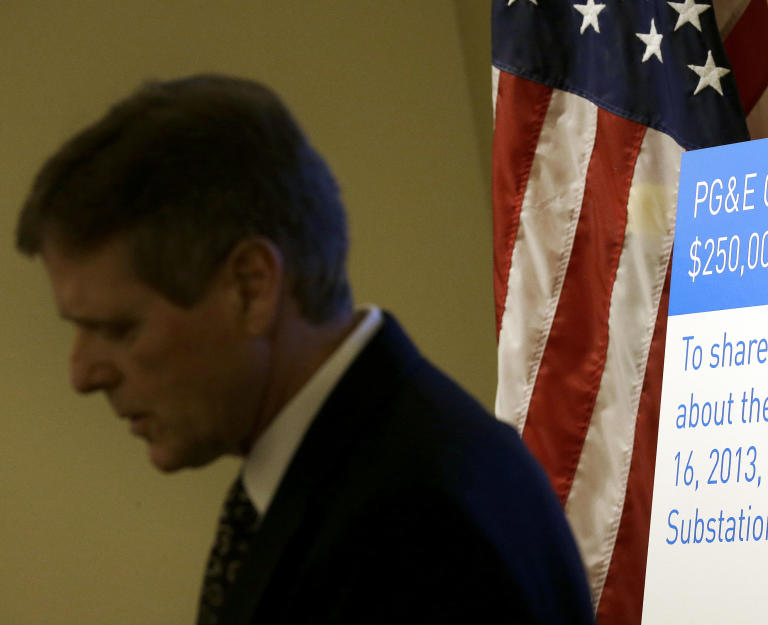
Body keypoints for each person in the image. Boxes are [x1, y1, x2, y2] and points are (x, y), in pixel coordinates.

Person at [16, 74, 595, 624]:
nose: (81, 374)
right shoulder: (372, 466)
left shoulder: (411, 533)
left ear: (250, 287)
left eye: (119, 329)